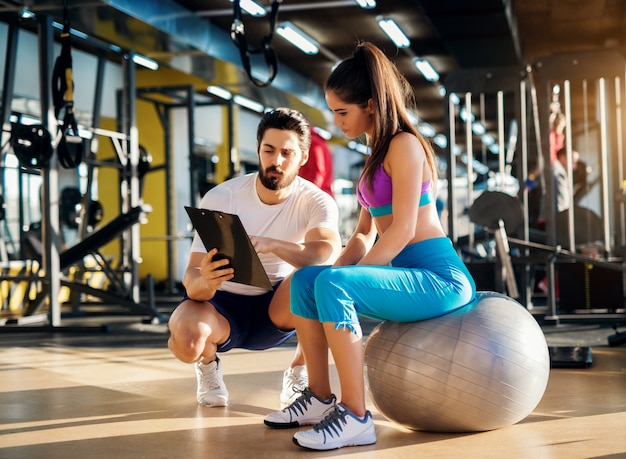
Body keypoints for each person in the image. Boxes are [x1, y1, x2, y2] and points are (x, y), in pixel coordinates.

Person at [263, 42, 476, 450]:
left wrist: (345, 278)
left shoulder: (405, 145)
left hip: (438, 277)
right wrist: (333, 273)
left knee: (333, 284)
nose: (336, 121)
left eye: (343, 112)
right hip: (403, 269)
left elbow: (401, 230)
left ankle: (357, 417)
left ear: (372, 105)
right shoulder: (374, 154)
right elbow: (363, 235)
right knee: (309, 280)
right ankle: (320, 398)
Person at [168, 107, 342, 409]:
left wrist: (274, 245)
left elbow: (325, 251)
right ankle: (208, 367)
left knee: (317, 279)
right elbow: (191, 280)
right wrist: (207, 281)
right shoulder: (223, 197)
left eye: (287, 153)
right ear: (258, 150)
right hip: (221, 306)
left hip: (278, 308)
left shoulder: (316, 200)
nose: (276, 161)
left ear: (303, 158)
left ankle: (298, 371)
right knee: (185, 341)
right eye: (269, 150)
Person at [298, 126, 334, 196]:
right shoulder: (318, 141)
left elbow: (317, 172)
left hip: (315, 197)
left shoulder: (313, 143)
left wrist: (308, 196)